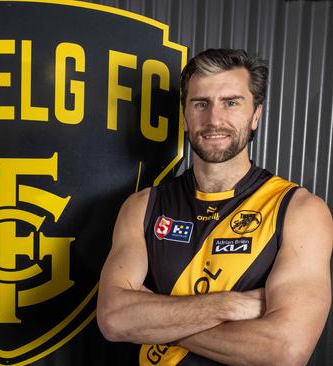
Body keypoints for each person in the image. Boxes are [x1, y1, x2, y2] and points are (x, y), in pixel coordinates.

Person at [97, 49, 332, 365]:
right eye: (200, 104)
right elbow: (113, 319)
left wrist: (152, 323)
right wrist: (229, 305)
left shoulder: (299, 211)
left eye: (231, 103)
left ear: (256, 115)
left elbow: (284, 351)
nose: (214, 119)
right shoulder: (142, 207)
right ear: (184, 114)